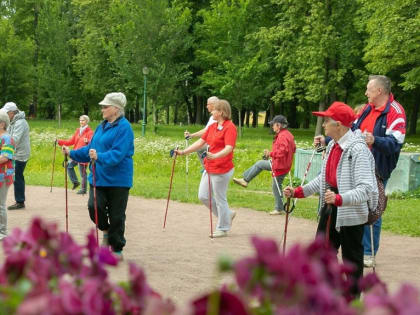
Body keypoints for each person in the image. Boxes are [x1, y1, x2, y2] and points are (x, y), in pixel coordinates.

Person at [284, 101, 378, 297]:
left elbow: (367, 189)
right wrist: (299, 191)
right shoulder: (334, 145)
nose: (323, 124)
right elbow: (323, 179)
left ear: (339, 125)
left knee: (352, 259)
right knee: (321, 253)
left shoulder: (358, 150)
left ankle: (352, 301)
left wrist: (340, 198)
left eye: (326, 121)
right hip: (331, 205)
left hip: (350, 210)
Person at [63, 92, 134, 259]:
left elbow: (118, 153)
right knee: (93, 207)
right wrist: (71, 152)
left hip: (118, 180)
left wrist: (99, 156)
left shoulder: (124, 128)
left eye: (105, 106)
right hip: (98, 177)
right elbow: (89, 150)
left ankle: (116, 248)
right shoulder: (101, 127)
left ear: (116, 109)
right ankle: (106, 230)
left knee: (117, 215)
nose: (102, 109)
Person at [355, 75, 406, 268]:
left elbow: (395, 143)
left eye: (368, 89)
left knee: (373, 209)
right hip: (358, 164)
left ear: (379, 91)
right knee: (356, 205)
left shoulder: (395, 112)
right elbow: (351, 129)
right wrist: (327, 140)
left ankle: (368, 253)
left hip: (377, 168)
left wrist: (374, 140)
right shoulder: (367, 109)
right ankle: (357, 248)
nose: (365, 93)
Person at [176, 99, 237, 238]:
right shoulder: (212, 126)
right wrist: (184, 152)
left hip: (222, 168)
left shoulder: (230, 127)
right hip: (210, 167)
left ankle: (223, 227)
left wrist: (215, 156)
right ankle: (227, 215)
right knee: (203, 196)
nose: (212, 111)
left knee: (220, 198)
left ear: (221, 112)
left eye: (214, 109)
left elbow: (229, 148)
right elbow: (201, 142)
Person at [232, 115, 296, 215]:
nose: (272, 127)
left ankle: (279, 208)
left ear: (278, 125)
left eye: (273, 125)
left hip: (280, 166)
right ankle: (245, 180)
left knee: (276, 186)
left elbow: (282, 152)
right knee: (261, 165)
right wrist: (274, 155)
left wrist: (270, 154)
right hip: (283, 164)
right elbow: (293, 149)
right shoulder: (288, 135)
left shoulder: (283, 136)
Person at [2, 102, 30, 210]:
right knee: (16, 176)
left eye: (6, 113)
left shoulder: (20, 123)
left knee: (17, 176)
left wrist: (4, 146)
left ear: (12, 112)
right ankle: (19, 200)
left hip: (20, 154)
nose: (5, 115)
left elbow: (14, 140)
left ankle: (20, 202)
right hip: (14, 153)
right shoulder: (12, 122)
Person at [57, 115, 93, 194]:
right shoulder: (78, 131)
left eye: (83, 120)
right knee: (68, 166)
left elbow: (92, 143)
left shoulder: (89, 132)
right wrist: (59, 141)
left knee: (82, 173)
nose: (81, 122)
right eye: (80, 120)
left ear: (86, 121)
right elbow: (71, 141)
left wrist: (88, 141)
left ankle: (83, 189)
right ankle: (75, 182)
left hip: (83, 155)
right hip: (75, 154)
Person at [184, 96, 218, 166]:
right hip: (213, 140)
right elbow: (206, 130)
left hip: (216, 142)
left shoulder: (216, 116)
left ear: (213, 104)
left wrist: (191, 136)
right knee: (200, 147)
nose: (206, 106)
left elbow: (206, 131)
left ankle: (207, 167)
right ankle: (206, 166)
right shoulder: (212, 117)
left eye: (208, 104)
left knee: (200, 147)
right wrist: (191, 135)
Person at [0, 110, 15, 239]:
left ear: (2, 124)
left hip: (4, 175)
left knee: (1, 204)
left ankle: (3, 232)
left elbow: (5, 157)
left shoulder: (7, 138)